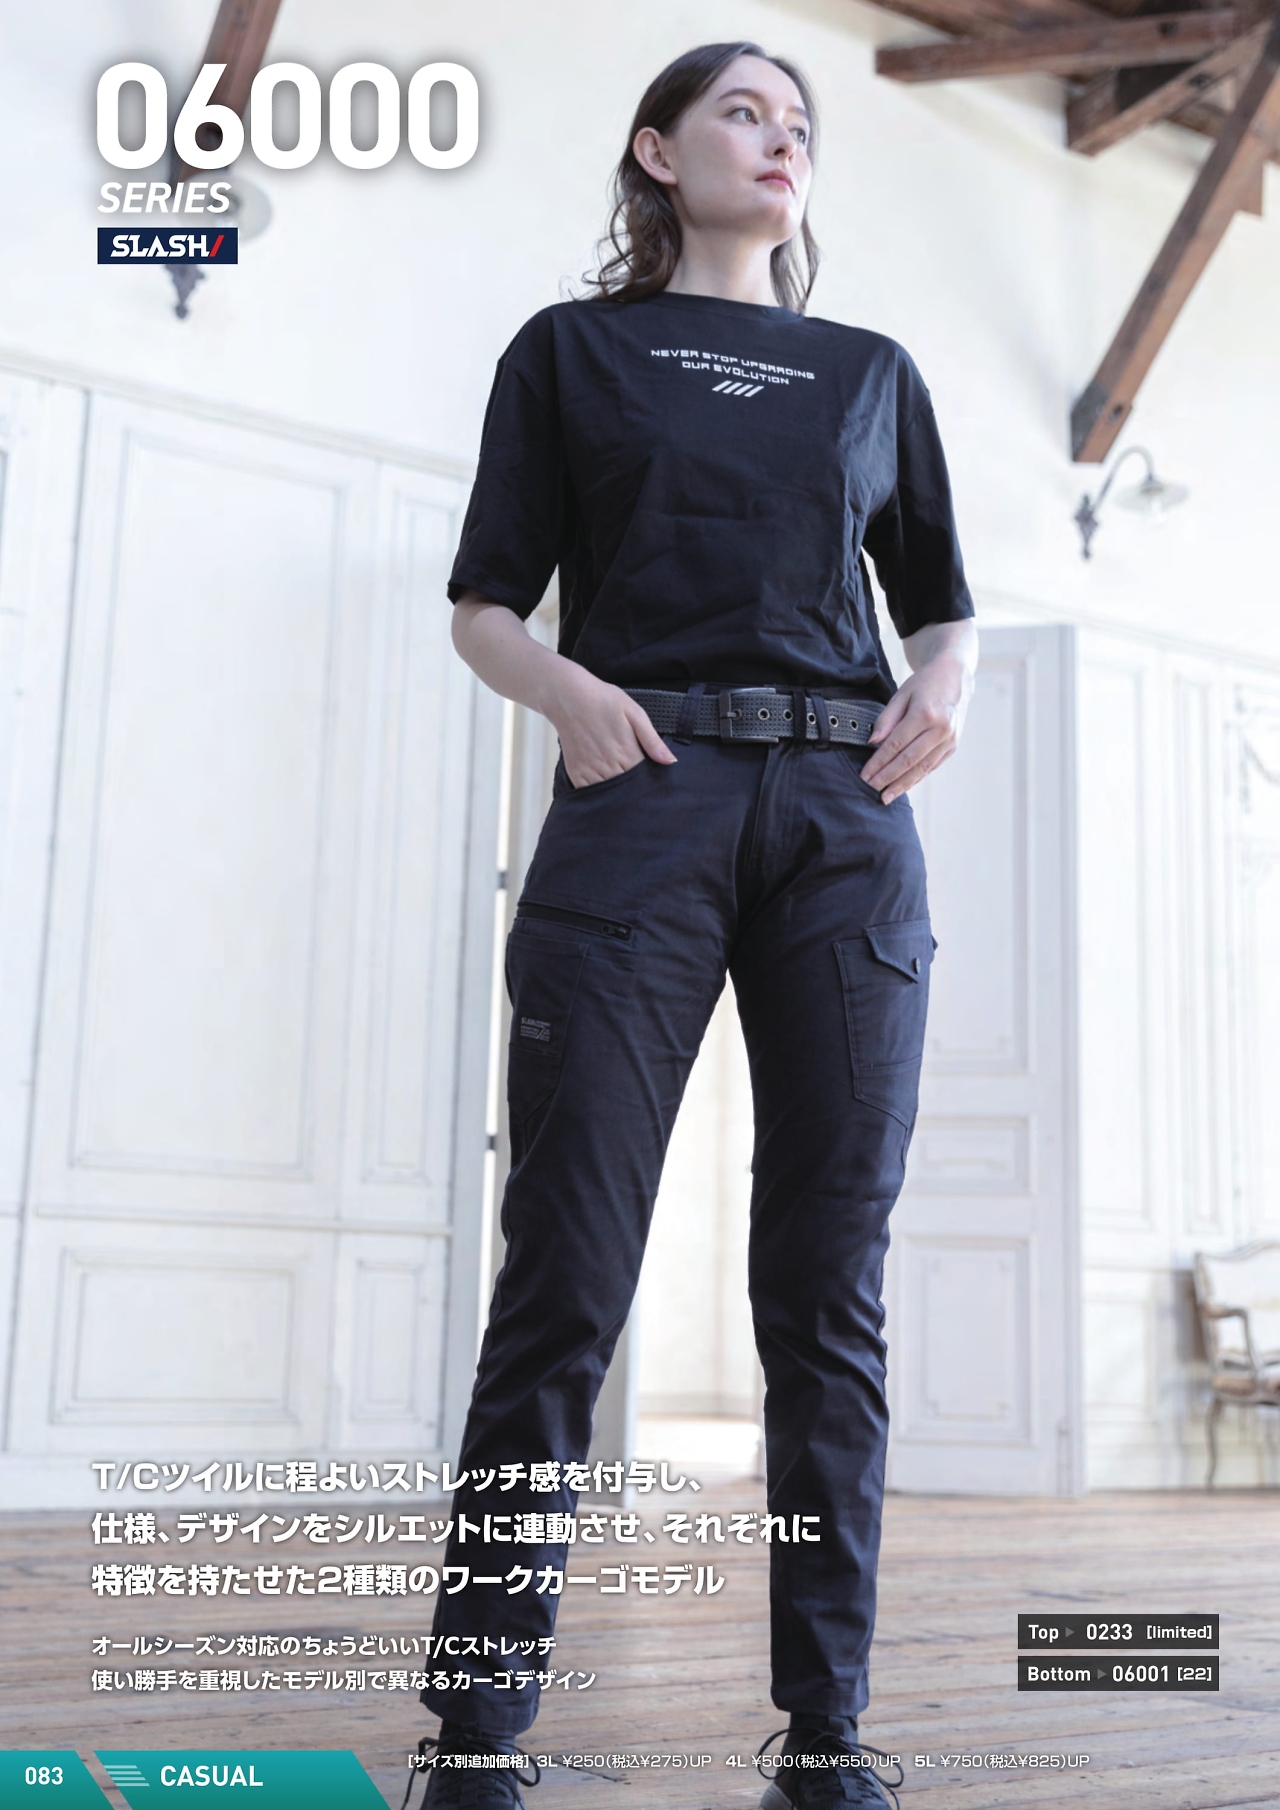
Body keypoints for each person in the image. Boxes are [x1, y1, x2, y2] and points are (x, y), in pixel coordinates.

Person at [407, 38, 978, 1810]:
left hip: (844, 821)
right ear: (658, 151)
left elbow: (943, 606)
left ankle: (828, 1732)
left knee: (826, 1288)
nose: (781, 138)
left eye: (800, 123)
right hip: (639, 789)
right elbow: (483, 602)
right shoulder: (570, 352)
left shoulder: (872, 373)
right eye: (745, 109)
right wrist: (568, 695)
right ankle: (477, 1732)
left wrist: (945, 690)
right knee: (566, 1271)